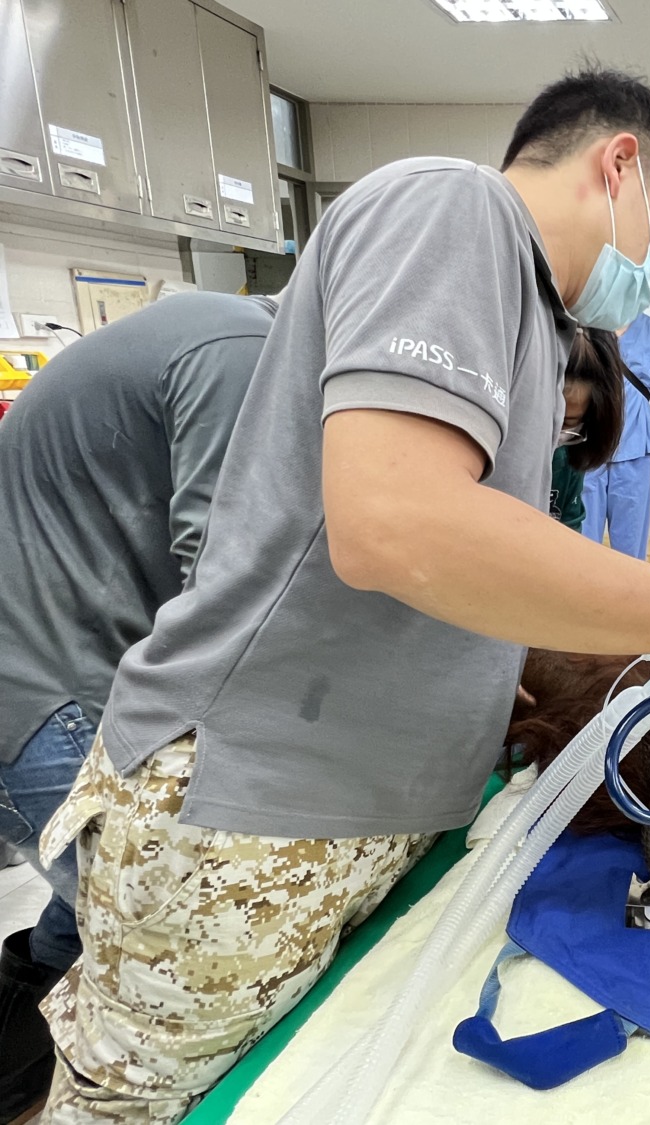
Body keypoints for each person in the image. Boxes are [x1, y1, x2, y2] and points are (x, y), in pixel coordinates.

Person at [34, 68, 650, 1123]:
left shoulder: (533, 323)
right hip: (251, 817)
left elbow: (485, 564)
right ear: (619, 164)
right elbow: (397, 524)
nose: (649, 273)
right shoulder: (458, 209)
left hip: (346, 816)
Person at [0, 292, 275, 1121]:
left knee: (80, 908)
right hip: (44, 684)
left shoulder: (225, 336)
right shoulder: (242, 350)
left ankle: (19, 1061)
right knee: (176, 934)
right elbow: (222, 584)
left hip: (65, 664)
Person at [581, 311, 650, 558]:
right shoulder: (583, 324)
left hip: (635, 454)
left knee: (631, 552)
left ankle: (628, 596)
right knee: (580, 544)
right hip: (587, 451)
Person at [551, 328, 627, 531]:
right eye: (551, 420)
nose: (556, 435)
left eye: (568, 423)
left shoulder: (570, 451)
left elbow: (569, 525)